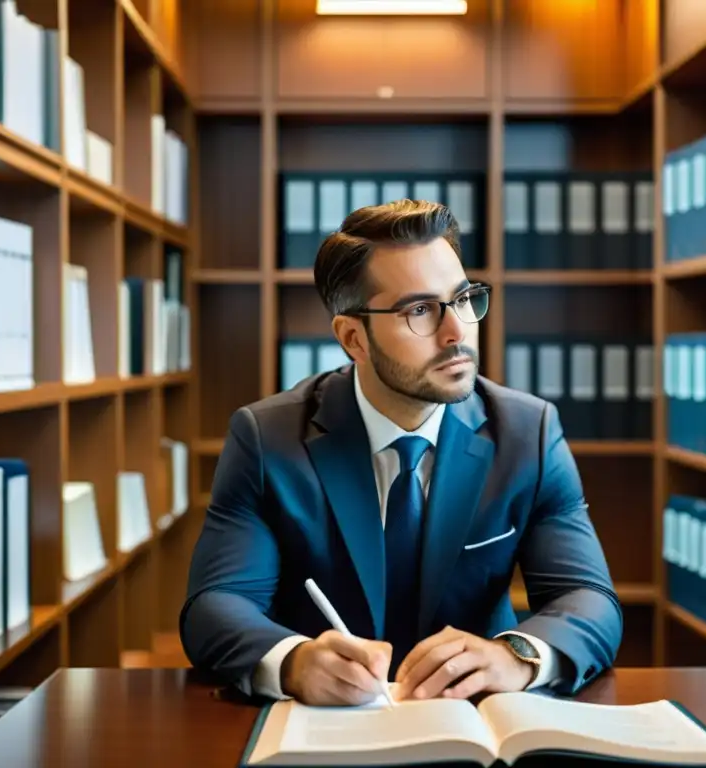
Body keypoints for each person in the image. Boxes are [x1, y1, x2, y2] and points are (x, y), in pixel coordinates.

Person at [179, 199, 623, 707]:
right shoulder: (266, 438)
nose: (456, 331)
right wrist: (294, 661)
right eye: (419, 310)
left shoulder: (527, 433)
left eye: (462, 300)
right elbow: (215, 605)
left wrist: (516, 655)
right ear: (354, 338)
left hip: (477, 722)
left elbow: (590, 601)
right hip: (326, 724)